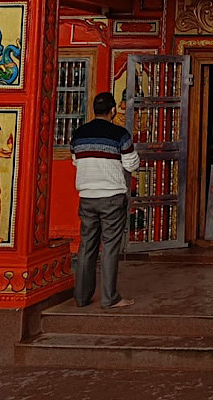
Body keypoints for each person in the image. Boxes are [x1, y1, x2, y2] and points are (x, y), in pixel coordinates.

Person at [71, 91, 139, 309]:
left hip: (87, 197)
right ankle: (110, 298)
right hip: (111, 197)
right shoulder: (120, 134)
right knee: (109, 247)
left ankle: (81, 297)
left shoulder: (79, 134)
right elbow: (131, 164)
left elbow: (75, 161)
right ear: (113, 110)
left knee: (86, 246)